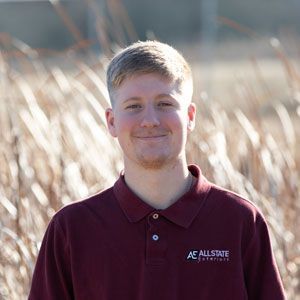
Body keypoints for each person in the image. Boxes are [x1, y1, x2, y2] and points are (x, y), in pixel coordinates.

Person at [29, 40, 285, 299]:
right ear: (112, 121)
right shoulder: (72, 229)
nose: (150, 120)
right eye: (133, 106)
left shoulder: (240, 221)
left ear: (190, 116)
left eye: (165, 104)